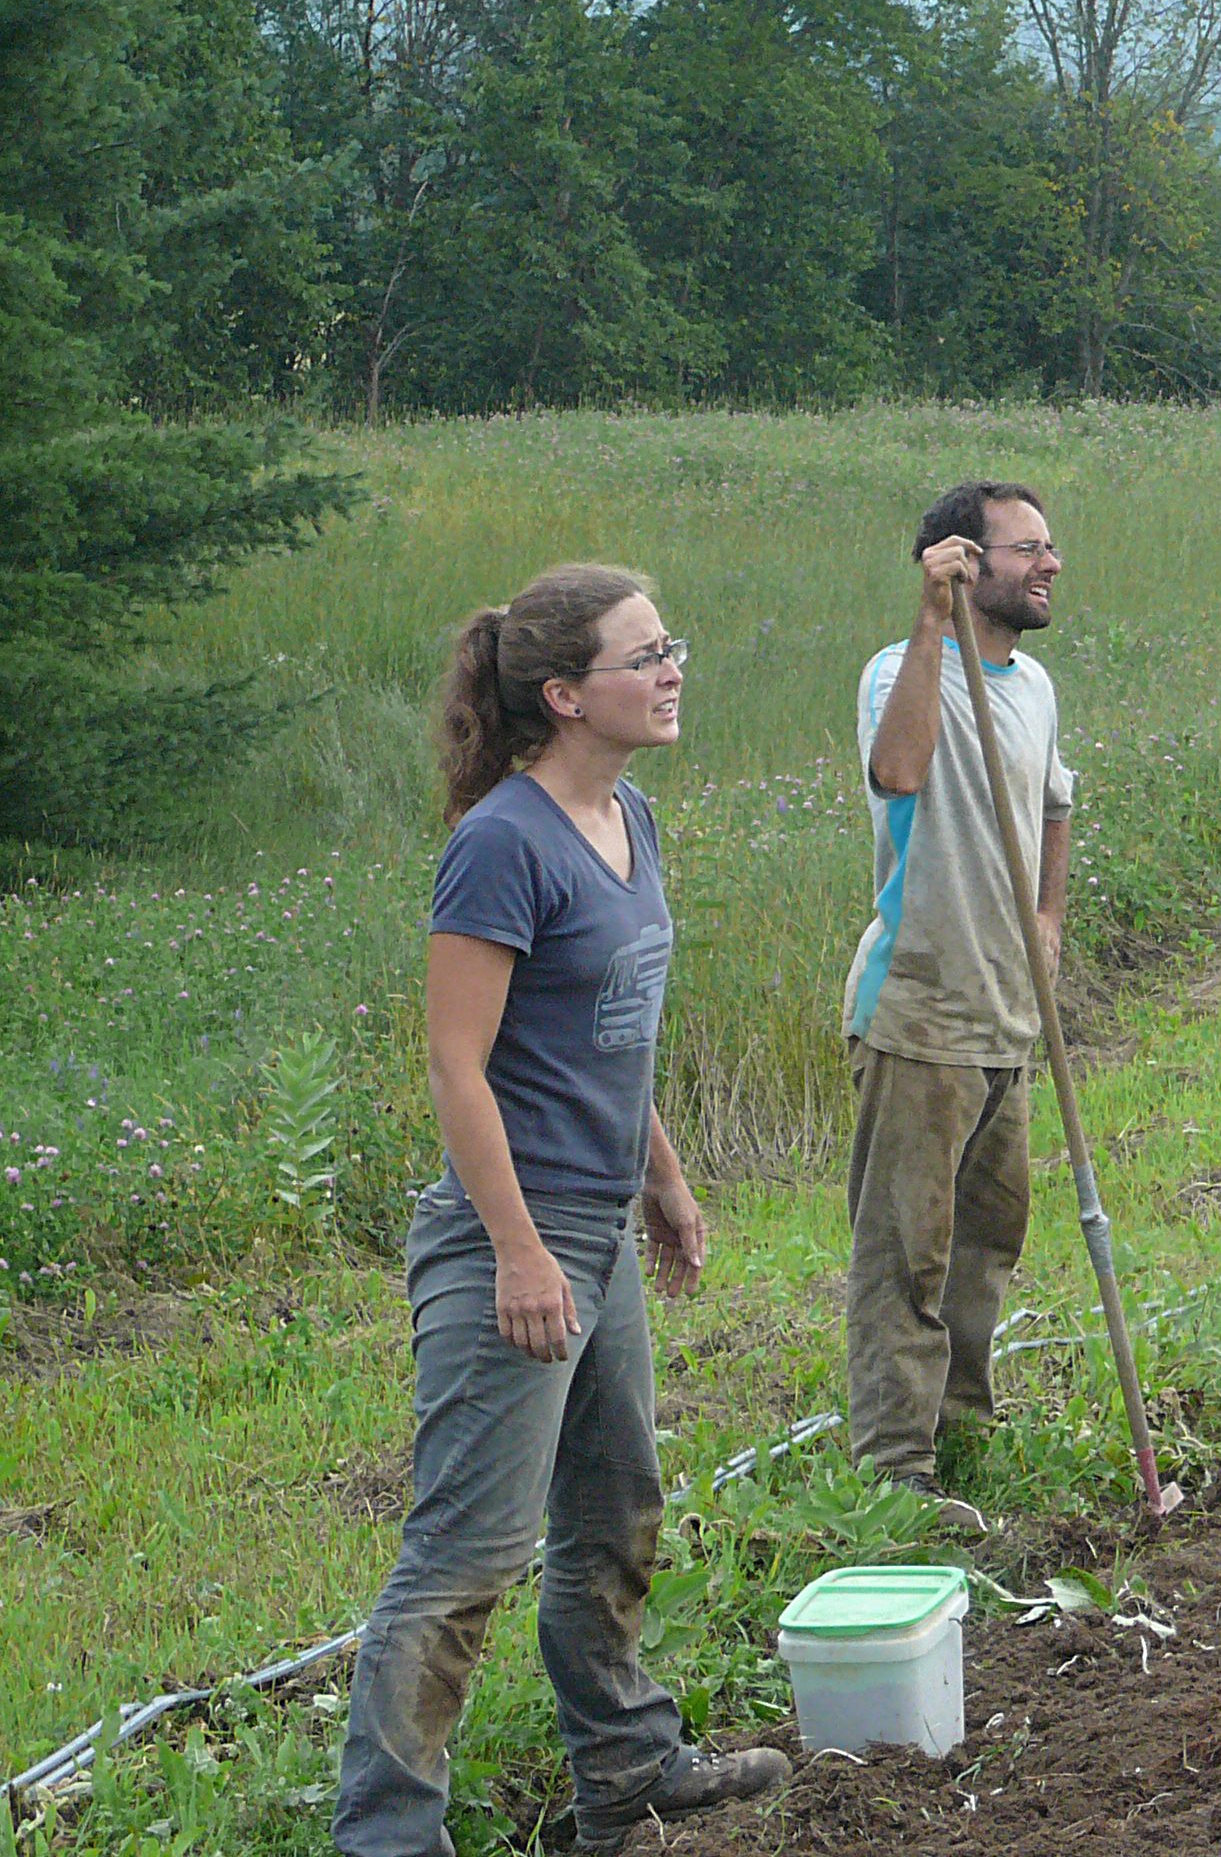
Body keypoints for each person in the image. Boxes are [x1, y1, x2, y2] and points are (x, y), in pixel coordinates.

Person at [335, 566, 789, 1857]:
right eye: (646, 655)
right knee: (467, 1557)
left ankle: (629, 1770)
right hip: (512, 1245)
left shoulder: (631, 819)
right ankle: (385, 1837)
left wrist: (664, 1178)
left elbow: (607, 1035)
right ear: (562, 693)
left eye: (670, 646)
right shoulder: (499, 843)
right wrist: (521, 1252)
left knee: (614, 1511)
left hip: (597, 1226)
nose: (672, 669)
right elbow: (457, 1065)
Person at [839, 483, 1075, 1530]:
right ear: (964, 562)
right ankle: (896, 1472)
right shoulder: (901, 670)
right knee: (908, 1250)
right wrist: (931, 625)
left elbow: (1058, 803)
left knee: (988, 1242)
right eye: (1029, 548)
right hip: (920, 1010)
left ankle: (965, 1431)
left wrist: (1051, 919)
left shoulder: (1036, 688)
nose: (1051, 564)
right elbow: (897, 771)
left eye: (1050, 546)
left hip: (1005, 1012)